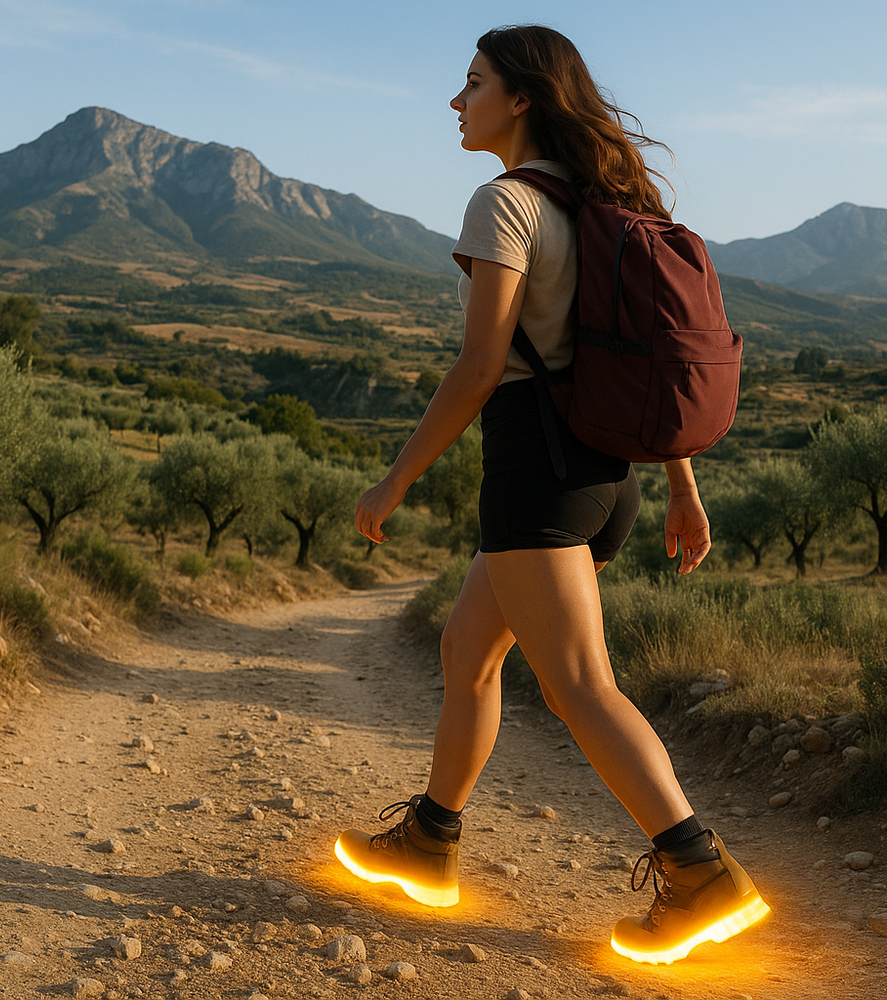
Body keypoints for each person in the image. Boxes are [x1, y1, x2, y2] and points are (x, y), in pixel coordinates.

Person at [333, 24, 768, 965]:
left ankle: (698, 872)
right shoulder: (602, 202)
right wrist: (681, 487)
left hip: (538, 468)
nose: (457, 101)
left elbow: (483, 362)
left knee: (579, 685)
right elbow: (641, 360)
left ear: (521, 97)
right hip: (606, 479)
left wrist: (396, 475)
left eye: (473, 82)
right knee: (467, 652)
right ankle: (430, 844)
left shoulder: (504, 204)